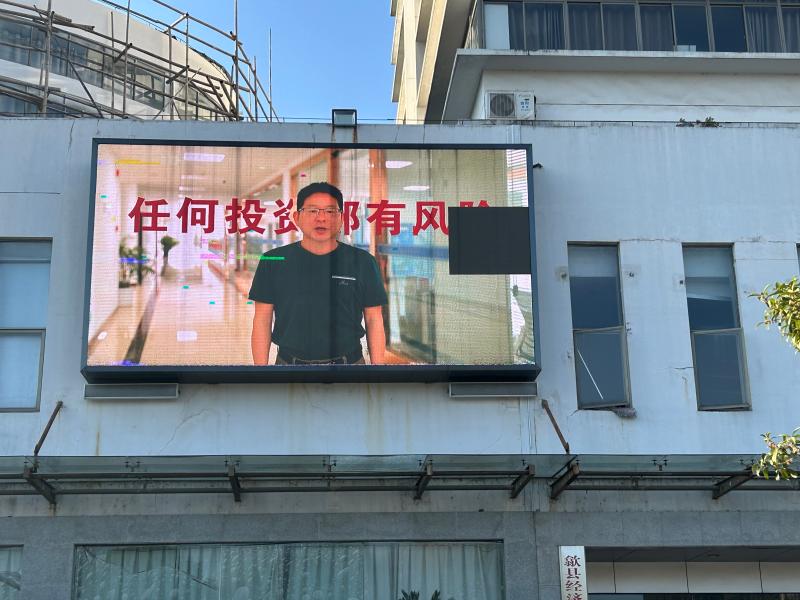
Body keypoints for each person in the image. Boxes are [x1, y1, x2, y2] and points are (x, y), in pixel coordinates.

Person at [249, 182, 387, 365]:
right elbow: (262, 319)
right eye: (312, 210)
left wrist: (378, 372)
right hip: (288, 366)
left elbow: (373, 319)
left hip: (349, 365)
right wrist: (261, 373)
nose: (321, 218)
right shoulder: (273, 261)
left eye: (330, 211)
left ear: (341, 219)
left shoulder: (362, 262)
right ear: (297, 217)